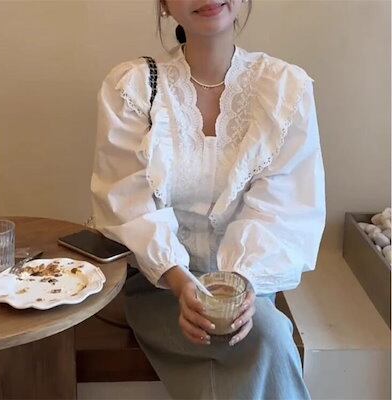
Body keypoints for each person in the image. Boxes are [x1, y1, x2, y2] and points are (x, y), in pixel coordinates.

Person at [91, 0, 326, 398]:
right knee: (267, 337)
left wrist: (240, 282)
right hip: (160, 289)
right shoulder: (131, 88)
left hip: (247, 291)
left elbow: (282, 208)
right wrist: (181, 282)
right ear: (165, 6)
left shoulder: (284, 89)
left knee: (263, 333)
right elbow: (127, 204)